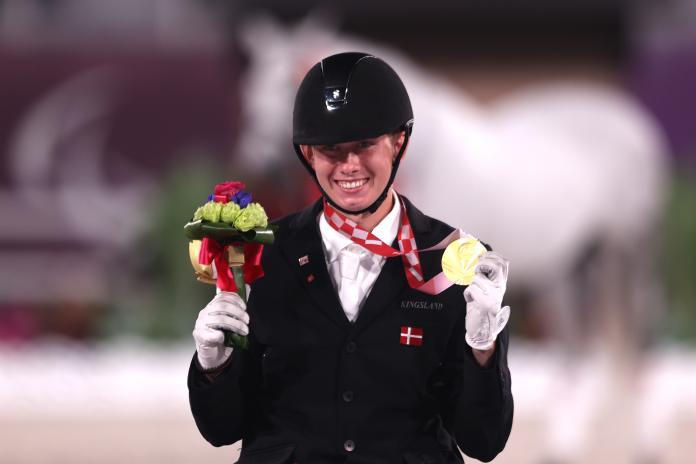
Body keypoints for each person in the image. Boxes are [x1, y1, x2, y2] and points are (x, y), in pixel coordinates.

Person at [188, 52, 513, 464]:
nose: (350, 165)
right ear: (307, 153)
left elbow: (484, 442)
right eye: (331, 150)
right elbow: (221, 429)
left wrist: (482, 350)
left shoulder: (455, 262)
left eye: (364, 145)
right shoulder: (259, 254)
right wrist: (213, 365)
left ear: (398, 142)